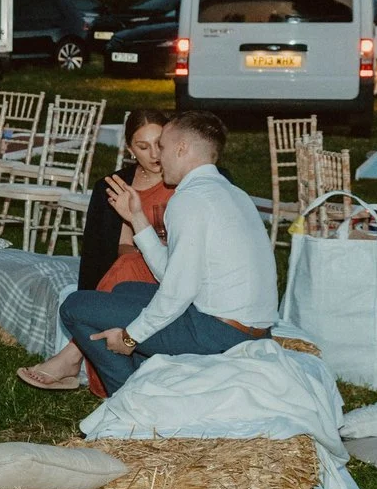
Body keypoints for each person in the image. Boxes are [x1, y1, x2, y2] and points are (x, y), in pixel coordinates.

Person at [57, 110, 278, 396]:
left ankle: (129, 397)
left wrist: (129, 338)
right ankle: (148, 378)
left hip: (218, 333)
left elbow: (177, 291)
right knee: (125, 290)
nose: (158, 157)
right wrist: (137, 217)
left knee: (76, 307)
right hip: (249, 328)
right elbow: (172, 273)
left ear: (181, 148)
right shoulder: (231, 193)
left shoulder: (189, 199)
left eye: (162, 146)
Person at [17, 108, 170, 391]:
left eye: (160, 144)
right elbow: (108, 248)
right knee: (126, 265)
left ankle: (73, 354)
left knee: (128, 266)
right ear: (129, 149)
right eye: (143, 146)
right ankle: (76, 356)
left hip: (174, 272)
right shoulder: (116, 185)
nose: (155, 155)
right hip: (136, 271)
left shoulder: (184, 179)